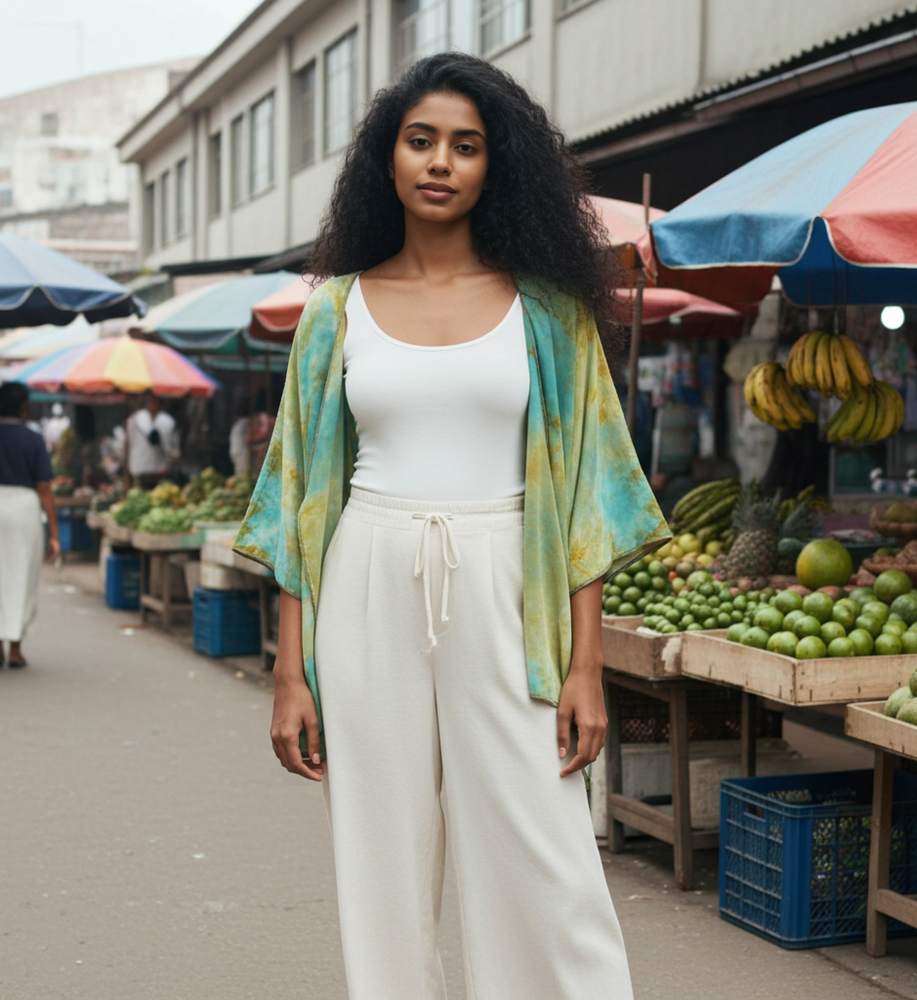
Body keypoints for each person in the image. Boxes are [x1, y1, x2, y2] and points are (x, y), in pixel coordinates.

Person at [234, 53, 669, 1000]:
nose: (440, 162)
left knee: (545, 852)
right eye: (420, 140)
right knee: (381, 854)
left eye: (465, 146)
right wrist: (287, 669)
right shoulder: (333, 312)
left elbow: (591, 496)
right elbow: (302, 498)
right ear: (386, 161)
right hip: (367, 577)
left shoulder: (552, 314)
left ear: (494, 166)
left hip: (510, 578)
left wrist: (588, 667)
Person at [0, 381, 59, 668]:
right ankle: (15, 648)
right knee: (22, 576)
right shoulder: (34, 439)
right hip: (24, 510)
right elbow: (45, 488)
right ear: (24, 407)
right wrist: (55, 535)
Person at [126, 393, 179, 488]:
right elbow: (154, 438)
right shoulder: (140, 418)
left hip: (155, 470)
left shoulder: (164, 420)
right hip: (145, 469)